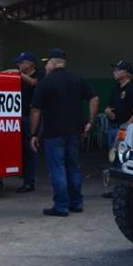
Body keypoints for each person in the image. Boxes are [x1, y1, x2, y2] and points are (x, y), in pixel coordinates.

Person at [30, 48, 99, 217]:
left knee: (58, 169)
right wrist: (90, 121)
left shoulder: (45, 82)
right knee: (73, 167)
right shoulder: (77, 79)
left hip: (54, 133)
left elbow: (35, 111)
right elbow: (94, 98)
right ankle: (76, 203)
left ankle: (61, 206)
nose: (46, 66)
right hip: (75, 131)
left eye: (47, 63)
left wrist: (33, 133)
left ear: (52, 63)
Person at [102, 59, 133, 198]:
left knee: (123, 159)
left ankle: (123, 190)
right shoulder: (116, 88)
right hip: (114, 127)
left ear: (126, 72)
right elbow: (109, 107)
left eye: (118, 69)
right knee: (114, 159)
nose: (114, 72)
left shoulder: (132, 89)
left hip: (125, 130)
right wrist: (108, 112)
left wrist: (126, 126)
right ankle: (116, 189)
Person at [11, 52, 43, 193]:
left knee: (30, 149)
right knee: (21, 149)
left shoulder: (40, 75)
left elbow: (34, 83)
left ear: (30, 63)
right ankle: (24, 176)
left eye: (21, 62)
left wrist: (18, 74)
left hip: (32, 118)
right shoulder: (19, 76)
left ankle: (29, 182)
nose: (18, 65)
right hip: (19, 116)